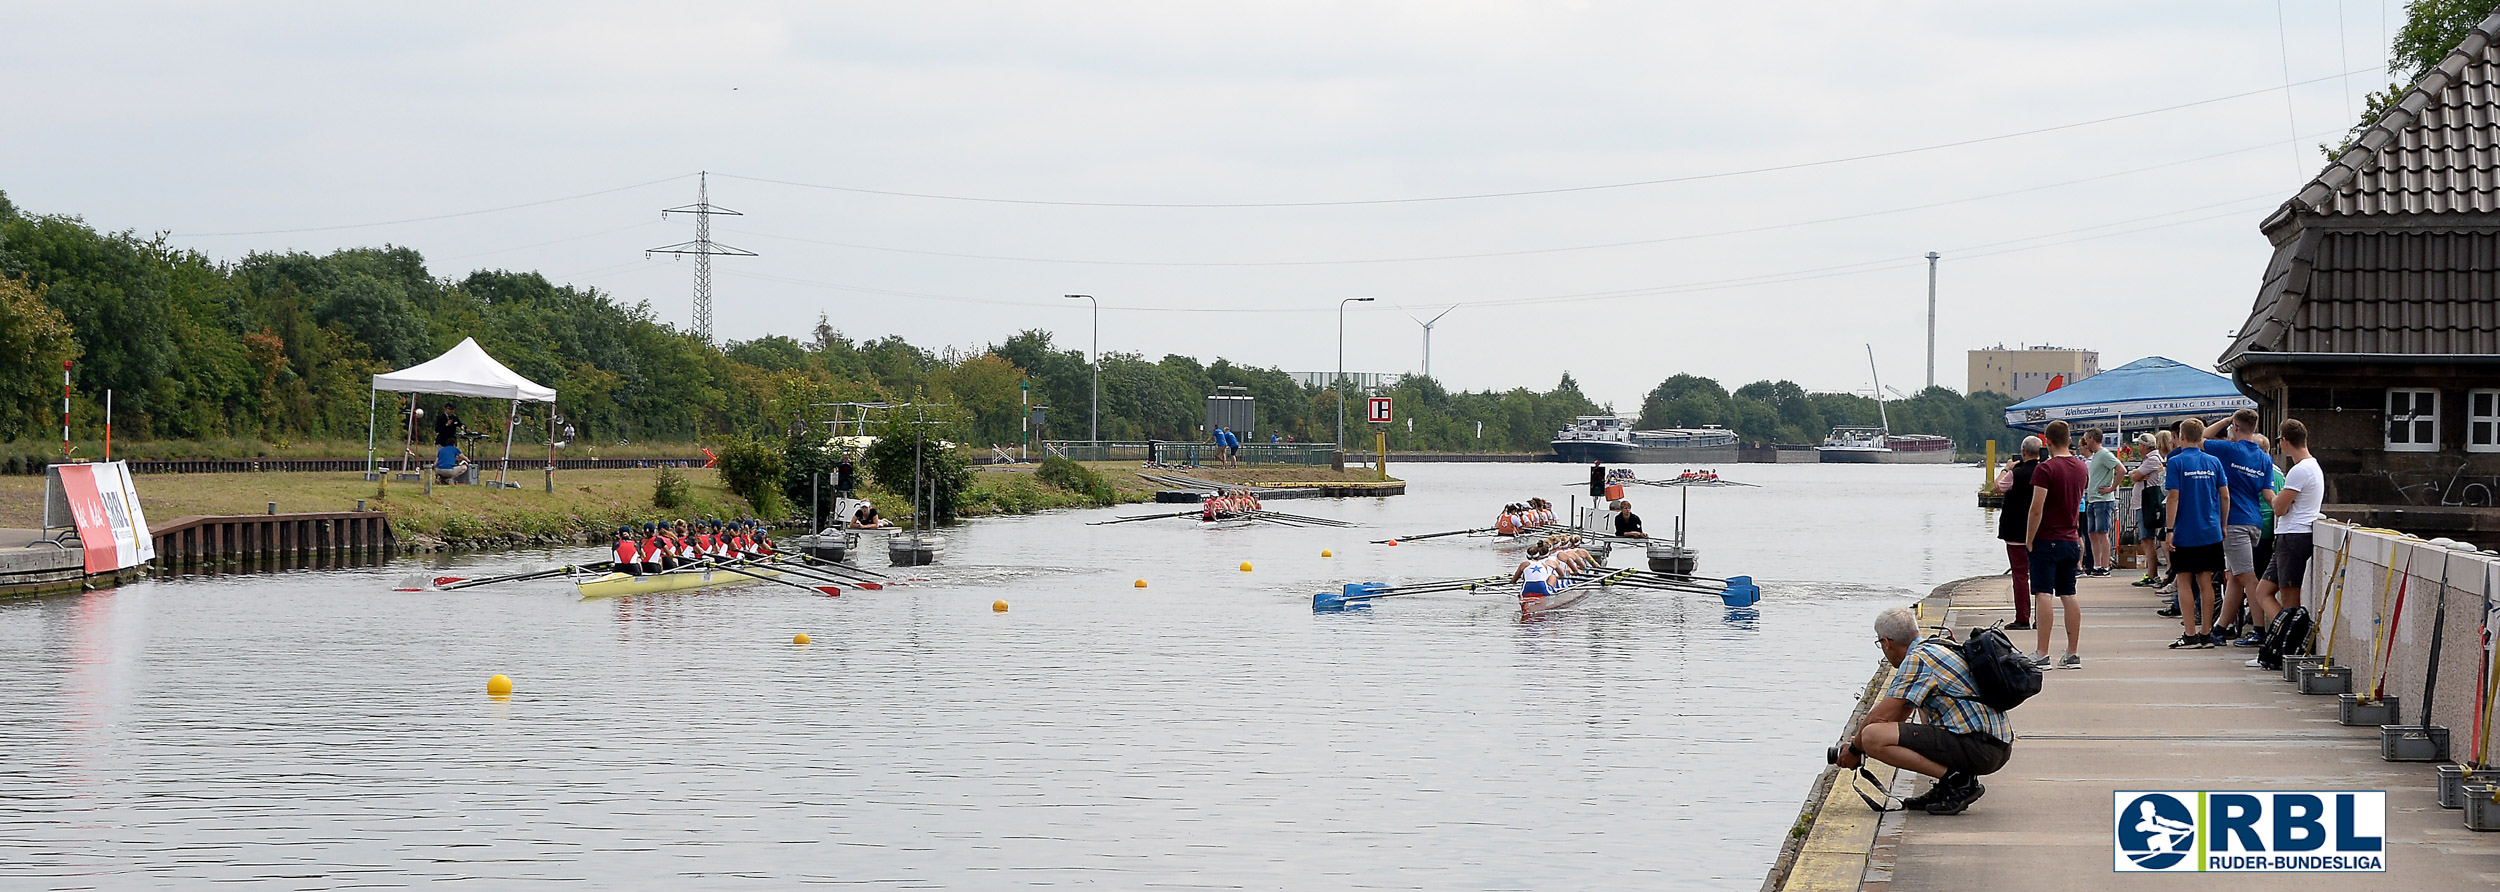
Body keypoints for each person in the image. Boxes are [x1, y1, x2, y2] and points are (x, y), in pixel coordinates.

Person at [1837, 607, 2014, 815]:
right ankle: (1947, 786)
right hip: (1996, 745)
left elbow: (1880, 717)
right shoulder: (1937, 646)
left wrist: (1855, 749)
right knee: (1910, 718)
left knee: (1871, 736)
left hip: (1980, 748)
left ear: (1887, 642)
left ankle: (1958, 782)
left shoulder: (1917, 659)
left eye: (1881, 644)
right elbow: (1899, 715)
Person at [2206, 409, 2275, 643]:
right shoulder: (2265, 458)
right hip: (2255, 521)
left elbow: (2199, 439)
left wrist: (2225, 420)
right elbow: (2268, 494)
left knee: (2248, 578)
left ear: (2235, 427)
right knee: (2236, 577)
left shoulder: (2228, 449)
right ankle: (2219, 628)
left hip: (2233, 521)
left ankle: (2259, 631)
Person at [2025, 420, 2087, 669]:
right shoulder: (2081, 467)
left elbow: (2036, 509)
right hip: (2071, 538)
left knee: (2043, 593)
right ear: (2069, 439)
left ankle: (2042, 652)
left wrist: (2029, 539)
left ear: (2047, 442)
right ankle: (2072, 652)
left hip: (2047, 538)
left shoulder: (2045, 469)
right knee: (2069, 593)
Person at [2164, 418, 2228, 649]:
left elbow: (2174, 496)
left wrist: (2169, 530)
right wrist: (2223, 524)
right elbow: (2225, 495)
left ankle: (2189, 633)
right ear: (2201, 437)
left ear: (2181, 436)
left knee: (2184, 580)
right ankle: (2206, 633)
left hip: (2185, 529)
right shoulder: (2214, 462)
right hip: (2210, 529)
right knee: (2206, 581)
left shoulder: (2177, 462)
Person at [1994, 436, 2041, 631]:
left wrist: (2007, 469)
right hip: (2039, 529)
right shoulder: (2044, 471)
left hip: (2015, 531)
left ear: (2023, 452)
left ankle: (2023, 617)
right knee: (2040, 575)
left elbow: (1997, 487)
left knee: (2020, 576)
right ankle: (2042, 617)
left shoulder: (2016, 473)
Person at [2081, 429, 2127, 577]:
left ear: (2092, 439)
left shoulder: (2105, 454)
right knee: (2092, 533)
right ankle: (2097, 564)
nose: (2085, 442)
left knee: (2102, 532)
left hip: (2103, 500)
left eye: (2086, 439)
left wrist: (2112, 487)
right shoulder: (2095, 456)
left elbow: (2121, 469)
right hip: (2093, 498)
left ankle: (2105, 566)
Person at [2129, 432, 2168, 588]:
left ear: (2145, 446)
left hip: (2146, 504)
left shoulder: (2152, 459)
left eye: (2139, 445)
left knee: (2147, 538)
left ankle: (2152, 574)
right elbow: (2135, 475)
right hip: (2143, 503)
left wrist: (2136, 474)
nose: (2138, 448)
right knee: (2146, 538)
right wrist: (2136, 474)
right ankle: (2152, 573)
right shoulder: (2151, 459)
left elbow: (2134, 475)